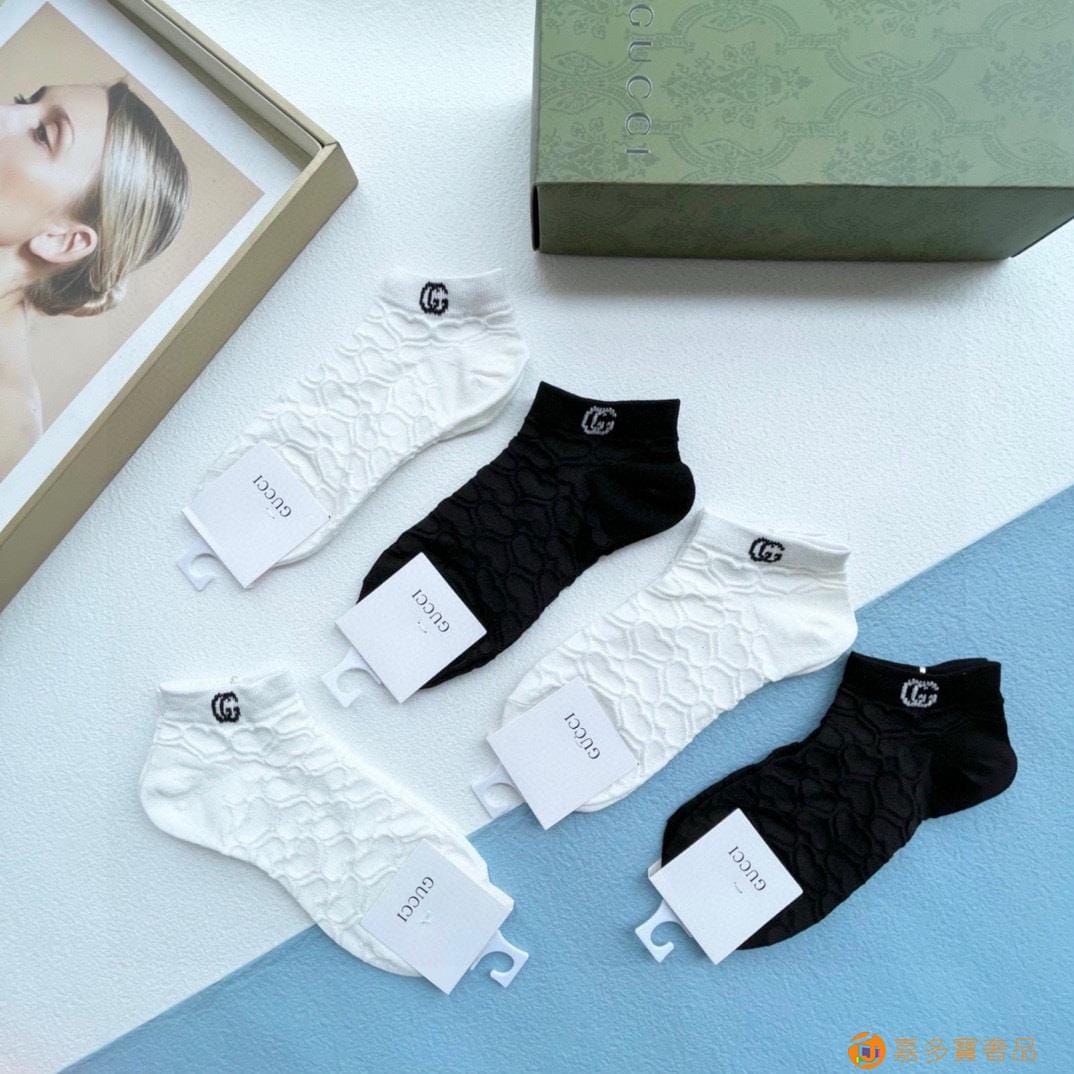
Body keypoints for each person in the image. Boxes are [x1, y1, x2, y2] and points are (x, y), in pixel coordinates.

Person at [0, 81, 190, 479]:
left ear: (62, 239)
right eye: (24, 102)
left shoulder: (6, 422)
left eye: (43, 135)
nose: (4, 112)